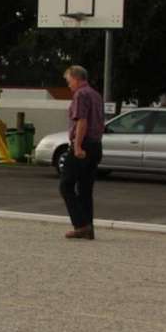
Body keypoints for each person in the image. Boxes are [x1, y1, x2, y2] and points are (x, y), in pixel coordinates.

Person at [59, 65, 105, 240]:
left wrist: (77, 146)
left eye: (68, 81)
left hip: (83, 145)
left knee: (66, 185)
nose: (68, 84)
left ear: (76, 78)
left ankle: (81, 225)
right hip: (96, 145)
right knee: (85, 188)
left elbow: (82, 121)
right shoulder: (95, 94)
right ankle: (88, 226)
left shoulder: (81, 94)